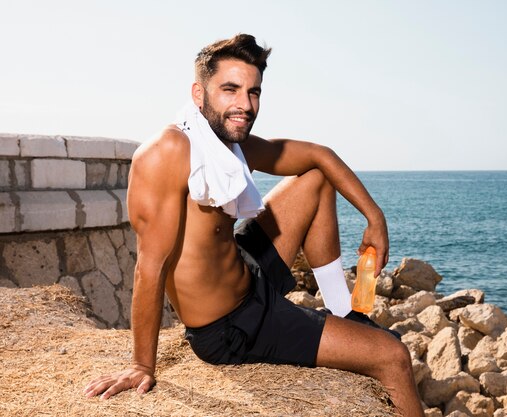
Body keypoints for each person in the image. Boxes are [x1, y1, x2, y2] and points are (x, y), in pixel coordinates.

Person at [83, 34, 424, 417]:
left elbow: (318, 155)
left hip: (249, 271)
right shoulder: (168, 152)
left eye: (253, 92)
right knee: (393, 356)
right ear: (199, 93)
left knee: (314, 177)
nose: (244, 105)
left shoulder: (229, 140)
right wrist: (142, 366)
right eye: (230, 89)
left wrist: (375, 218)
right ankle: (349, 329)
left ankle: (344, 311)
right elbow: (150, 266)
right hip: (234, 325)